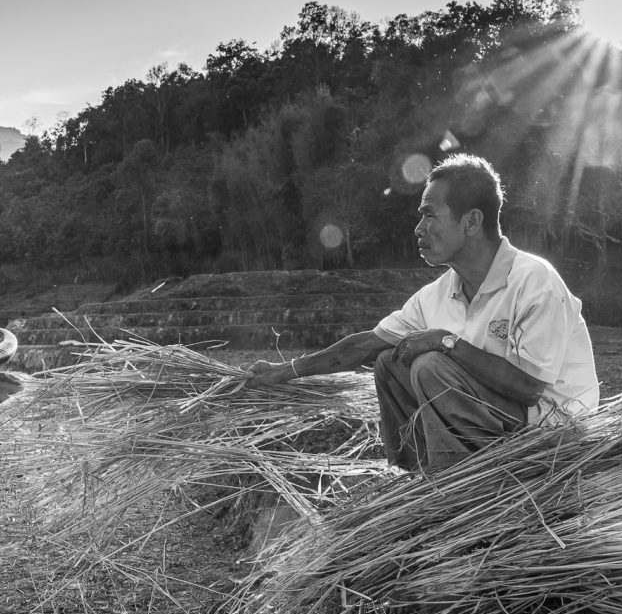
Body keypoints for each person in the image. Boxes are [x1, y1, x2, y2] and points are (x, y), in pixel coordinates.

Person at [247, 153, 598, 472]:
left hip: (551, 432)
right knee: (389, 360)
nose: (419, 229)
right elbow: (365, 345)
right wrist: (287, 371)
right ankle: (418, 475)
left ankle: (455, 489)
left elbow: (529, 387)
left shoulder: (534, 281)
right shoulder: (439, 293)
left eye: (430, 215)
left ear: (471, 222)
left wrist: (445, 342)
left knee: (430, 364)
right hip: (495, 422)